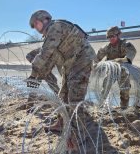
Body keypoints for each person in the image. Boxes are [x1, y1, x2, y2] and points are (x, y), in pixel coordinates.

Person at [28, 10, 96, 143]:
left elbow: (45, 54)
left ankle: (79, 134)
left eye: (35, 24)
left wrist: (33, 75)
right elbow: (49, 61)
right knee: (62, 95)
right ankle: (61, 123)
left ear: (42, 20)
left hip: (81, 60)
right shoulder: (51, 33)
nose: (35, 28)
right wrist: (35, 77)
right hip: (70, 65)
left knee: (74, 99)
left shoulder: (56, 27)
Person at [95, 26, 140, 111]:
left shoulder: (125, 44)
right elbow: (97, 58)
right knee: (105, 88)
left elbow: (131, 53)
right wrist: (94, 65)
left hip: (123, 71)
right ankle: (102, 107)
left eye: (113, 36)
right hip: (111, 71)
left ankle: (124, 108)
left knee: (125, 91)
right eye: (109, 37)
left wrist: (122, 59)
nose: (111, 39)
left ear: (118, 35)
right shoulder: (106, 47)